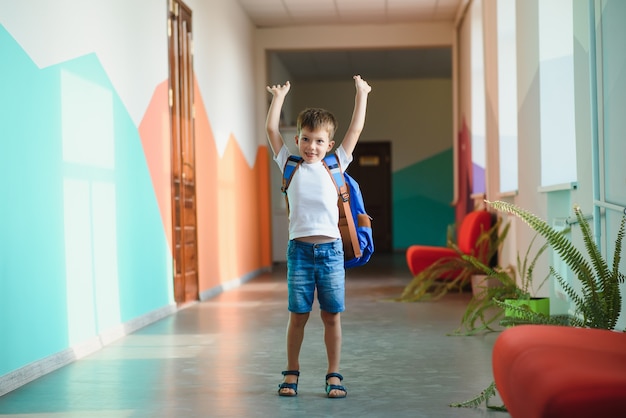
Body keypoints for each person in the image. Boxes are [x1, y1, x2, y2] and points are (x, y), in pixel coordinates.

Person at [265, 75, 372, 398]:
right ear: (297, 139)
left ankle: (333, 374)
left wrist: (362, 94)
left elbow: (355, 129)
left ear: (329, 143)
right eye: (307, 139)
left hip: (331, 253)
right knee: (297, 316)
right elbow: (271, 130)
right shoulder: (289, 163)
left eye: (320, 141)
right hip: (299, 252)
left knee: (331, 316)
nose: (312, 146)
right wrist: (279, 97)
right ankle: (292, 372)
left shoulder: (336, 163)